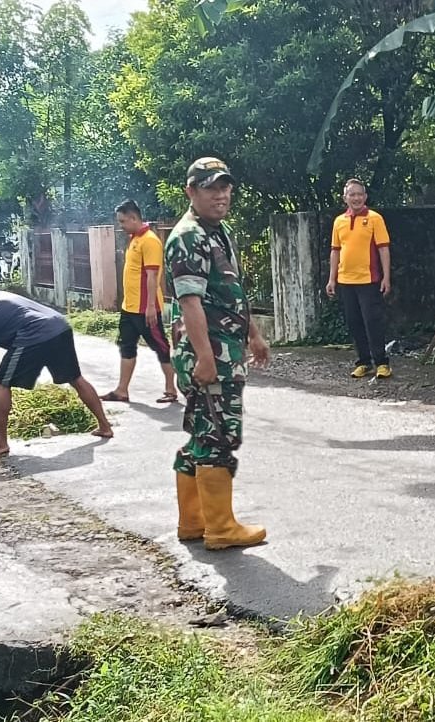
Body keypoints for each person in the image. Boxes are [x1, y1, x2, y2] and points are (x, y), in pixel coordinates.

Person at [167, 157, 270, 550]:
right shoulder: (188, 236)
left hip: (225, 347)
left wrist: (254, 336)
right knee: (218, 434)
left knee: (201, 433)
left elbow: (232, 291)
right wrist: (206, 357)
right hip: (210, 353)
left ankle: (193, 522)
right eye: (211, 188)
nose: (221, 194)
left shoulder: (218, 232)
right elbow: (190, 302)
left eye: (225, 187)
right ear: (191, 192)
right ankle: (221, 528)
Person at [0, 282, 113, 457]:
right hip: (59, 326)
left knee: (0, 383)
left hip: (34, 334)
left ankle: (0, 443)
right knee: (75, 378)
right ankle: (105, 426)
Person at [103, 200, 179, 405]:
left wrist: (151, 307)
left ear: (134, 218)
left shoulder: (150, 241)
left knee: (160, 347)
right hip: (129, 307)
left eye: (123, 221)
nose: (121, 225)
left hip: (145, 308)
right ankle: (121, 390)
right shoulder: (134, 239)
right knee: (126, 346)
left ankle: (171, 389)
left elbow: (152, 276)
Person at [325, 178, 392, 380]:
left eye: (359, 194)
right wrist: (332, 279)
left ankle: (381, 363)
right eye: (352, 194)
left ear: (365, 196)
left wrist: (386, 277)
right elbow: (335, 251)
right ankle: (364, 361)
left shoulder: (374, 218)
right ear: (345, 198)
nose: (356, 198)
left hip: (369, 280)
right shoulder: (339, 221)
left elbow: (383, 249)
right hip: (346, 280)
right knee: (354, 323)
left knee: (373, 322)